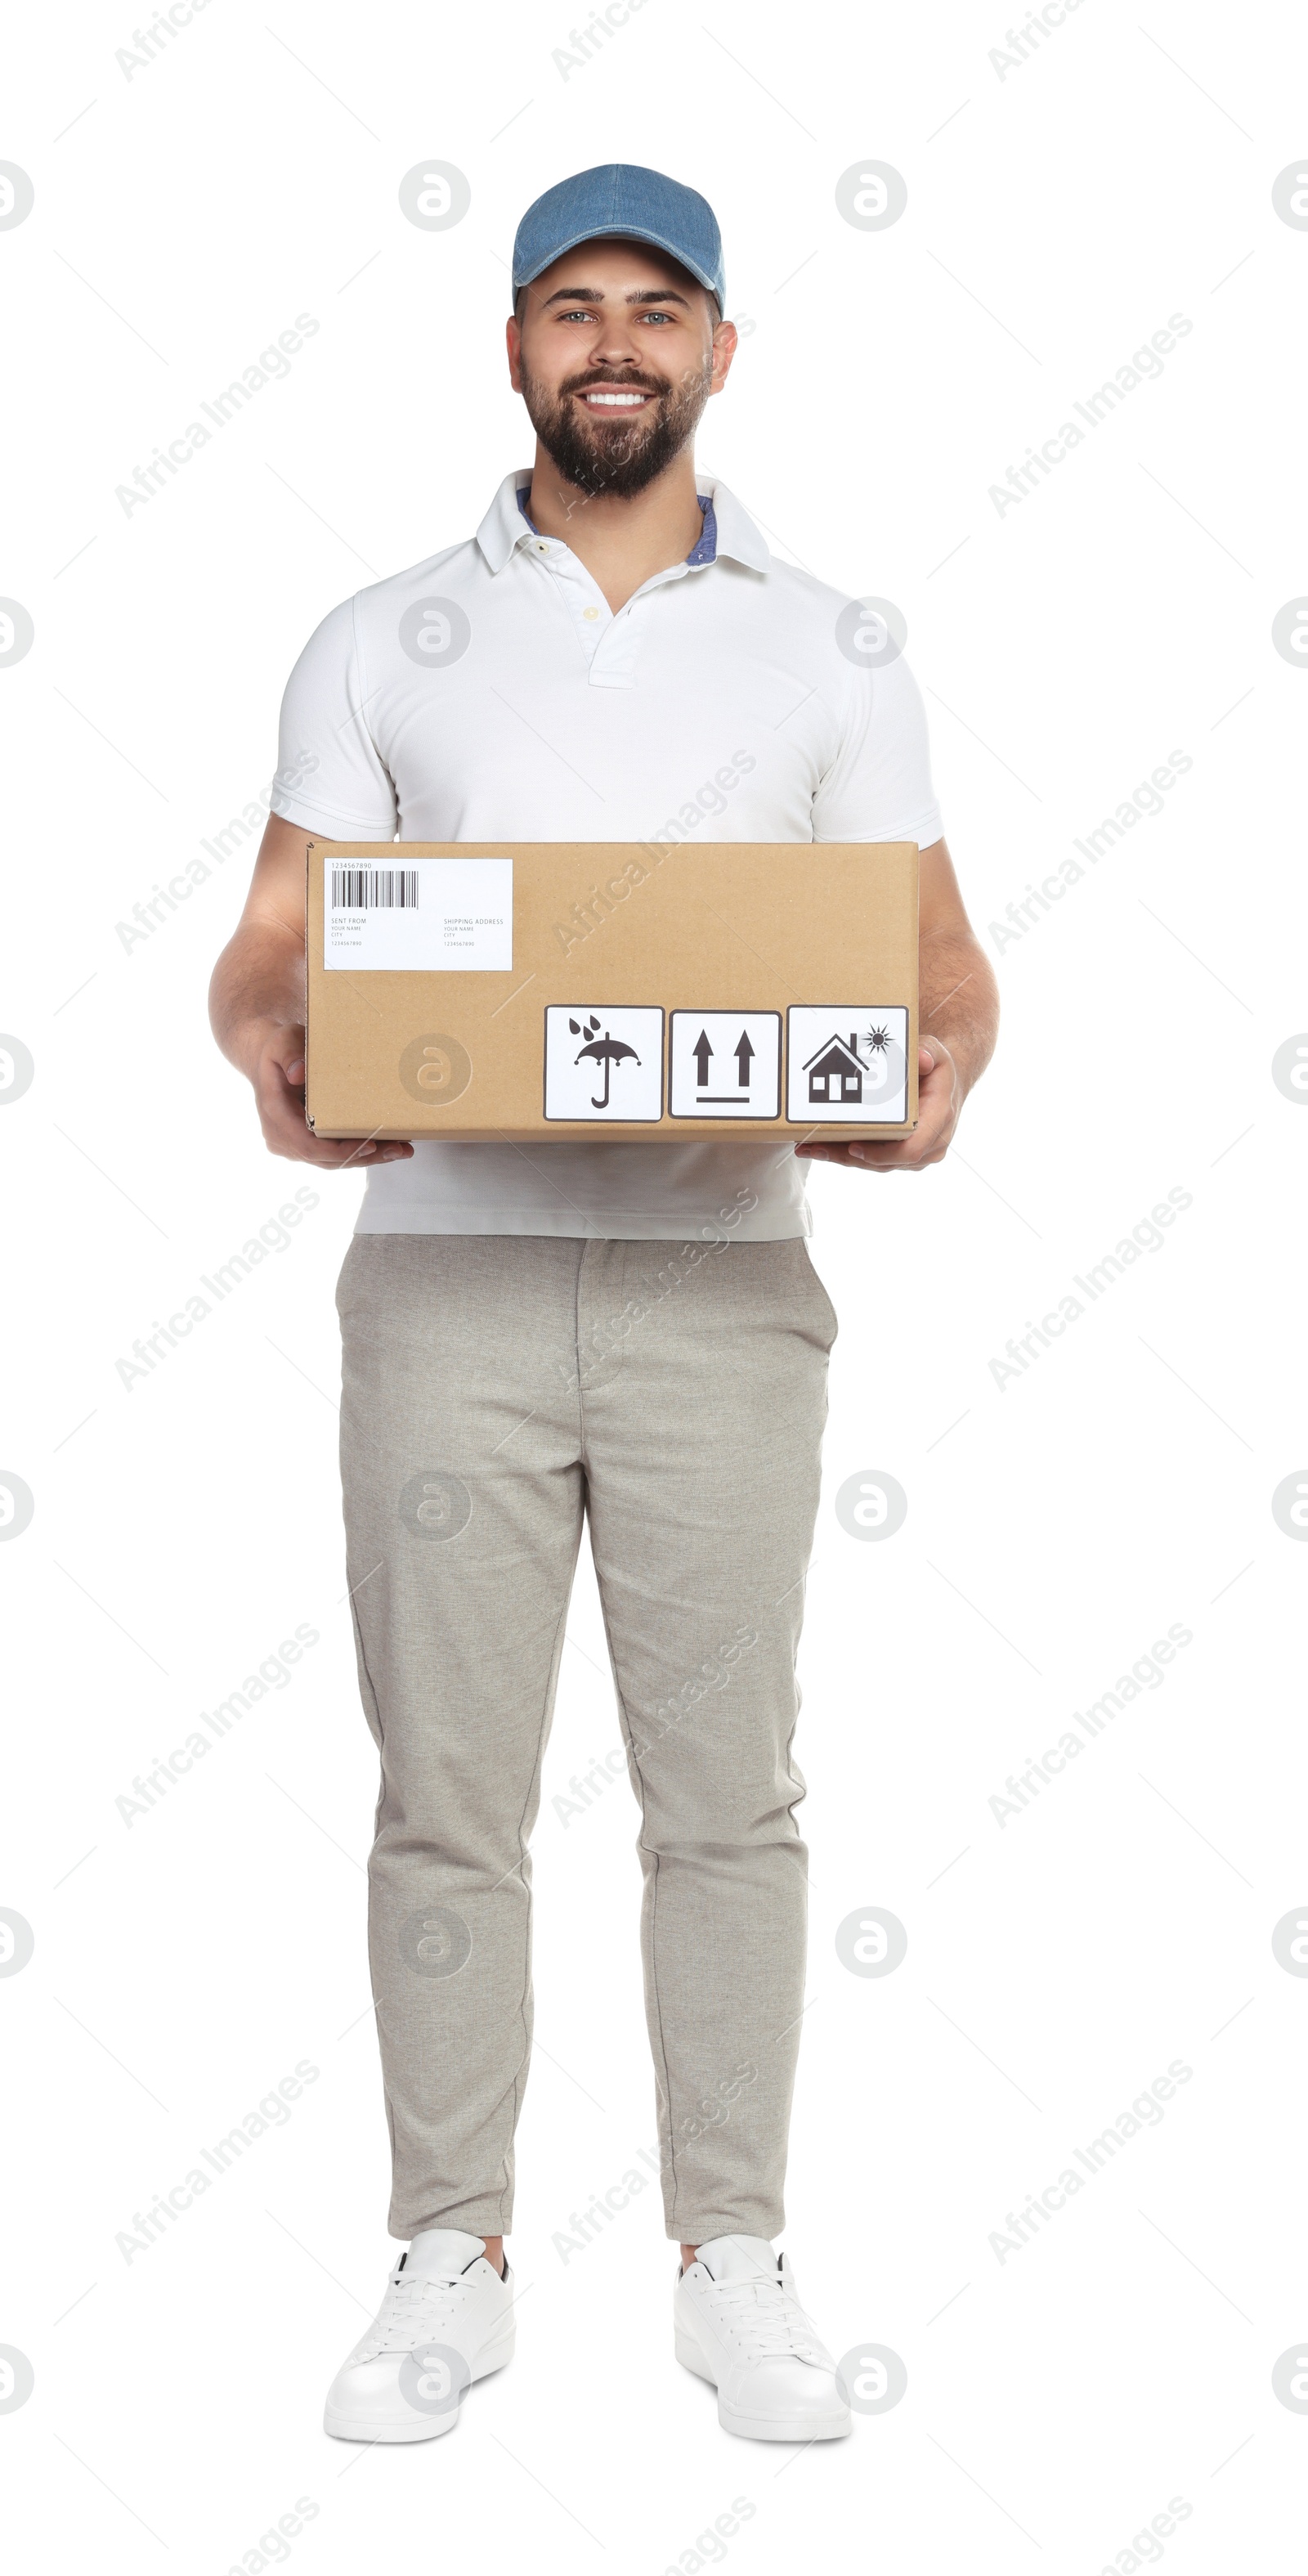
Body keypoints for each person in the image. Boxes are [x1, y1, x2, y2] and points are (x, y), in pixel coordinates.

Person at [209, 161, 999, 2446]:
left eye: (660, 306)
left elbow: (935, 965)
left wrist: (928, 1078)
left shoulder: (836, 644)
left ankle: (729, 2251)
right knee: (444, 1797)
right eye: (574, 306)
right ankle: (444, 2254)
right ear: (517, 346)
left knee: (724, 1797)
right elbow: (274, 943)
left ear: (724, 348)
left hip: (722, 1279)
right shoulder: (380, 637)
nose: (617, 343)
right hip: (440, 1284)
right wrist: (276, 1044)